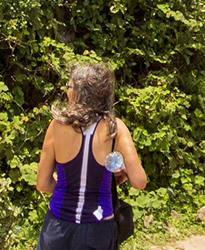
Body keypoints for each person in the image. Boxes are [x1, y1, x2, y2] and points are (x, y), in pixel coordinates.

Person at [35, 62, 146, 250]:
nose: (67, 92)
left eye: (69, 86)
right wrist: (124, 173)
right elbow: (140, 182)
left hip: (58, 227)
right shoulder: (115, 128)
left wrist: (63, 185)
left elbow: (43, 185)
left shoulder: (56, 126)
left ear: (79, 92)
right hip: (98, 229)